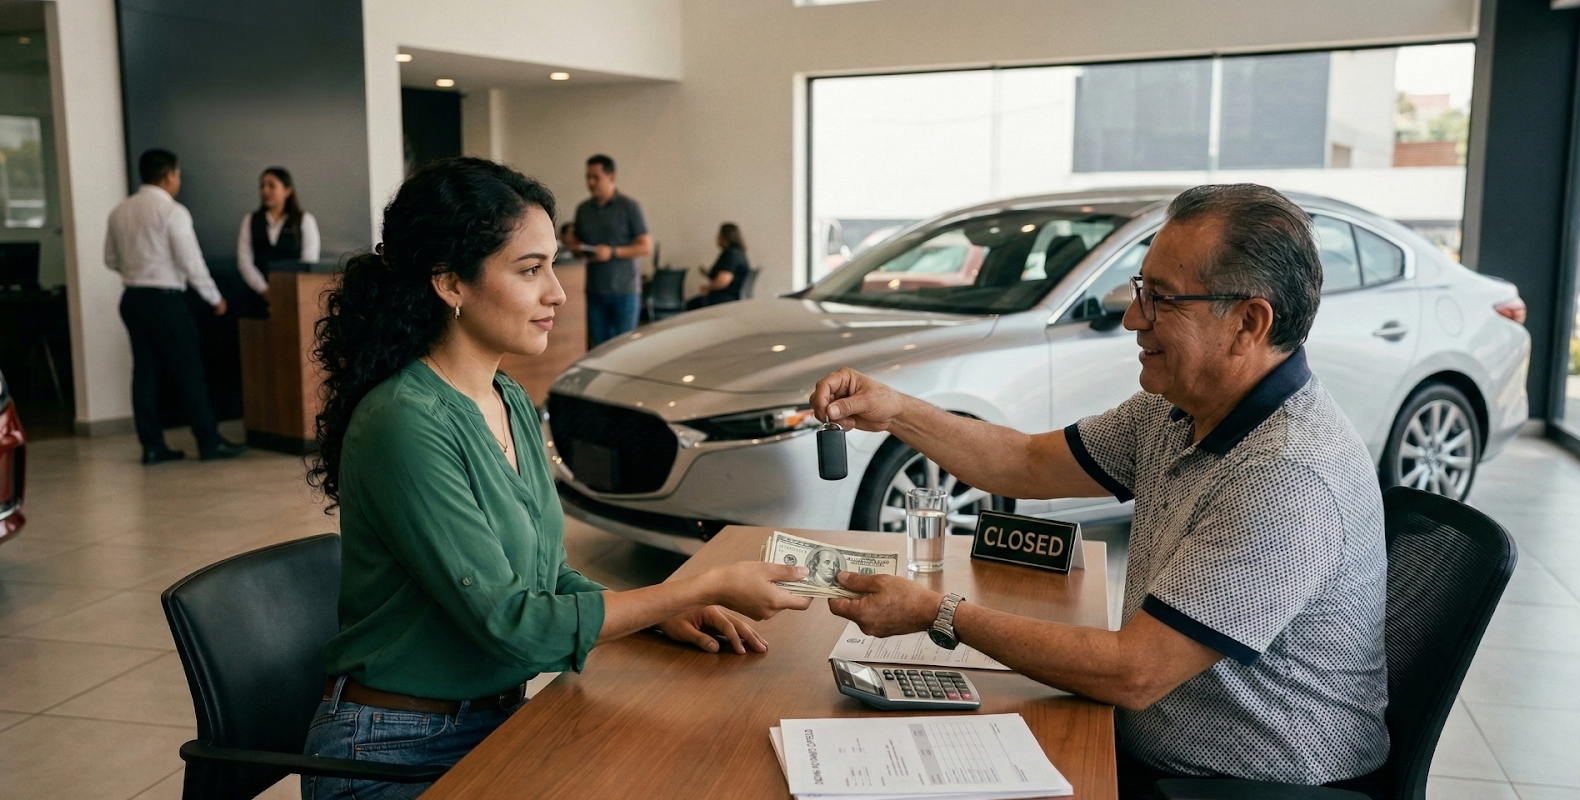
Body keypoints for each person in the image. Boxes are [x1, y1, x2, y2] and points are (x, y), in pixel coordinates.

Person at [811, 184, 1388, 799]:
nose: (1133, 317)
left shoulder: (1290, 474)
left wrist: (938, 613)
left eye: (1161, 299)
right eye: (1141, 291)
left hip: (1248, 784)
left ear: (1248, 322)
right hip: (1156, 748)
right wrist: (895, 410)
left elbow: (1134, 672)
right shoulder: (1176, 410)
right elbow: (1027, 463)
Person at [302, 157, 810, 799]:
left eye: (552, 264)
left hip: (490, 720)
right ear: (451, 282)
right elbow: (513, 626)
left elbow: (542, 577)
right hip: (392, 751)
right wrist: (691, 589)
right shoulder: (405, 421)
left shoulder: (507, 396)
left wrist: (654, 612)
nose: (558, 293)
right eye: (530, 269)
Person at [104, 148, 248, 464]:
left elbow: (110, 259)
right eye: (178, 174)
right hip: (165, 301)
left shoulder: (119, 212)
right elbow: (191, 262)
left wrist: (138, 270)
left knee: (144, 373)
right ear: (169, 175)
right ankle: (209, 442)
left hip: (133, 300)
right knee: (189, 371)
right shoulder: (172, 212)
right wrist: (214, 297)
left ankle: (152, 446)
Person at [573, 154, 651, 347]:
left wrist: (612, 253)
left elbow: (645, 246)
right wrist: (579, 250)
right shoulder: (583, 210)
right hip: (594, 290)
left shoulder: (629, 207)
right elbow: (577, 242)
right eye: (588, 177)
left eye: (596, 177)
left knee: (624, 349)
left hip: (625, 291)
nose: (590, 182)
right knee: (599, 349)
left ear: (612, 177)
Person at [236, 166, 320, 298]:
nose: (265, 190)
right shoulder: (250, 220)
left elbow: (309, 261)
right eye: (262, 186)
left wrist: (288, 290)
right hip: (257, 296)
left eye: (271, 186)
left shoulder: (304, 220)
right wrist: (264, 290)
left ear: (287, 190)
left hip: (294, 294)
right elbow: (244, 261)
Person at [686, 222, 750, 310]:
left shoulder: (730, 254)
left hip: (723, 299)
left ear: (725, 237)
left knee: (685, 307)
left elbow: (724, 280)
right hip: (732, 298)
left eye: (719, 235)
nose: (717, 238)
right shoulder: (739, 253)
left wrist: (707, 287)